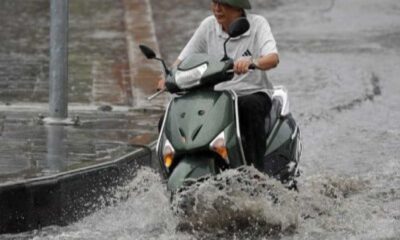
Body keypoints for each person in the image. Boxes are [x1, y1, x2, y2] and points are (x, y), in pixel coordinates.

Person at [157, 0, 279, 171]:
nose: (217, 8)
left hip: (252, 93)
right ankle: (168, 170)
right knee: (168, 119)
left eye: (223, 4)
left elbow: (273, 58)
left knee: (248, 108)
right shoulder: (208, 26)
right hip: (218, 97)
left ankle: (256, 174)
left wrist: (252, 62)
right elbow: (183, 59)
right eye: (214, 2)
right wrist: (168, 77)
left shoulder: (258, 24)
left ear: (238, 6)